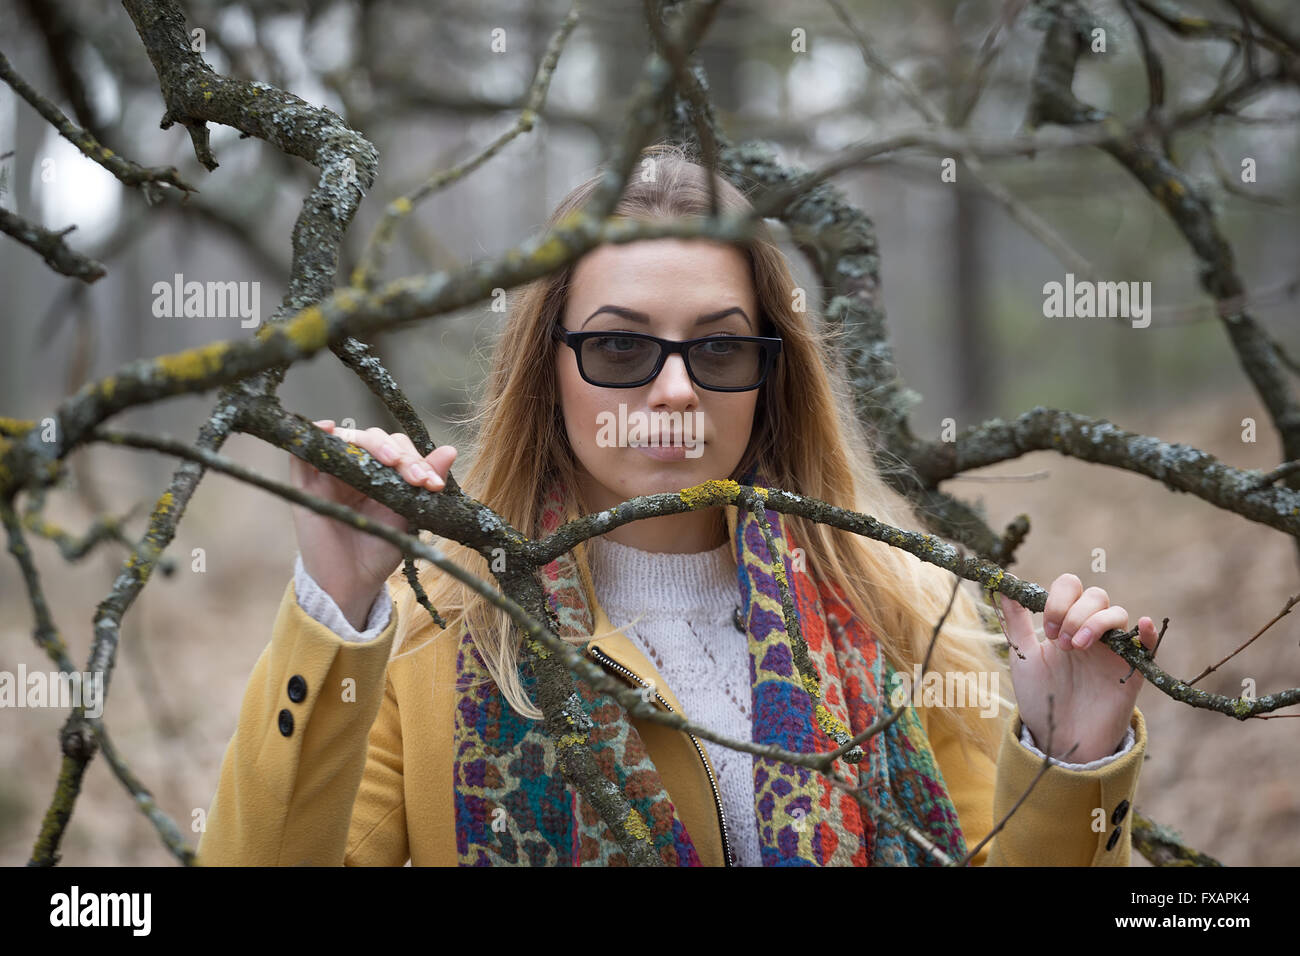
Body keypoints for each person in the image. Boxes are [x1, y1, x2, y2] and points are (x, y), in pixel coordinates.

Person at [196, 143, 1158, 867]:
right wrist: (334, 606)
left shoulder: (893, 604)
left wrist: (1068, 766)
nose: (674, 393)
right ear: (549, 369)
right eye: (620, 348)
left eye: (720, 348)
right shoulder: (432, 625)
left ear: (768, 377)